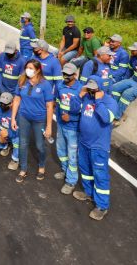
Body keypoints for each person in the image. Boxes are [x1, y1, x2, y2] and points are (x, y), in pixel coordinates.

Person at [71, 76, 118, 221]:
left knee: (100, 175)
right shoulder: (86, 97)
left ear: (100, 88)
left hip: (99, 146)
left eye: (93, 88)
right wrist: (79, 95)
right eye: (89, 87)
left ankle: (102, 206)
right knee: (85, 170)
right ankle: (89, 192)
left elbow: (106, 118)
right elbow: (73, 109)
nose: (91, 90)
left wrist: (98, 101)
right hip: (84, 142)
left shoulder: (110, 102)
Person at [9, 59, 53, 182]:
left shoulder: (45, 84)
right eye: (27, 67)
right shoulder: (22, 81)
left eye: (31, 68)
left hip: (39, 119)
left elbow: (49, 105)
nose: (28, 70)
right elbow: (17, 100)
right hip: (23, 117)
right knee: (23, 144)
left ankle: (42, 166)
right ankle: (23, 169)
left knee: (40, 145)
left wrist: (49, 126)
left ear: (38, 70)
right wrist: (13, 118)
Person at [53, 62, 82, 195]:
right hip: (61, 124)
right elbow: (57, 101)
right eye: (64, 73)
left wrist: (71, 117)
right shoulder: (60, 85)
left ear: (75, 75)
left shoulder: (81, 90)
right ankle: (65, 170)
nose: (65, 76)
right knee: (61, 150)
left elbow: (83, 111)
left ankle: (71, 181)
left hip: (73, 128)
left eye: (68, 75)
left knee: (72, 155)